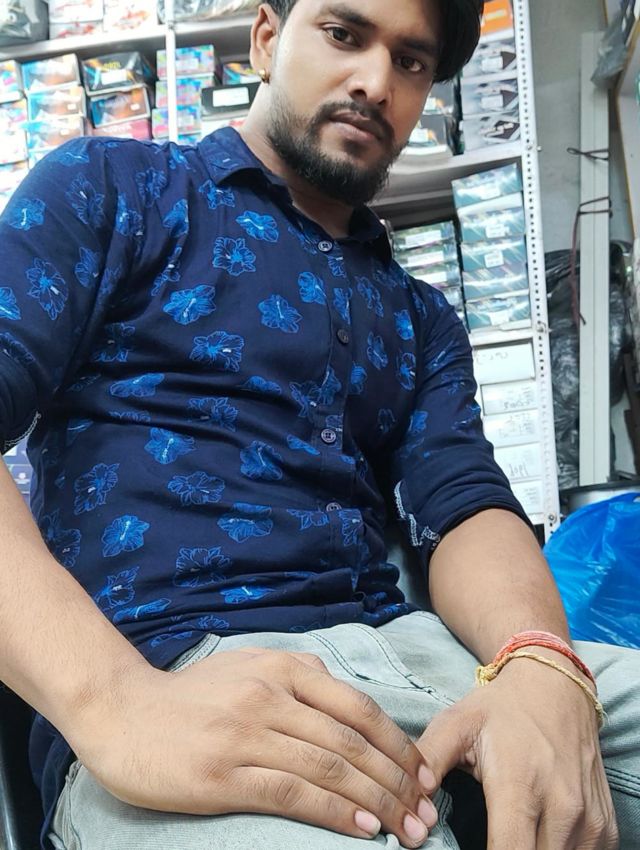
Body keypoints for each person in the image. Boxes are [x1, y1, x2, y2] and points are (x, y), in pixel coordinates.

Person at [0, 0, 637, 848]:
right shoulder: (113, 189)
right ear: (266, 39)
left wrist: (538, 658)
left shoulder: (421, 315)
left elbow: (465, 505)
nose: (376, 82)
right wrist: (114, 703)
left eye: (411, 61)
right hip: (180, 679)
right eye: (344, 34)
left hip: (427, 657)